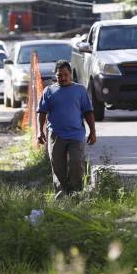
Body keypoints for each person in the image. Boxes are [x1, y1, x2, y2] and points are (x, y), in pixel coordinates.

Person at [37, 60, 97, 198]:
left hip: (76, 134)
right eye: (59, 75)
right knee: (58, 168)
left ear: (70, 74)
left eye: (65, 75)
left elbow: (88, 111)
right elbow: (42, 112)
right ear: (55, 76)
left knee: (76, 163)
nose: (63, 78)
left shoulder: (80, 90)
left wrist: (93, 132)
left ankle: (75, 194)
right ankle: (61, 196)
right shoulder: (49, 91)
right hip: (56, 135)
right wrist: (40, 131)